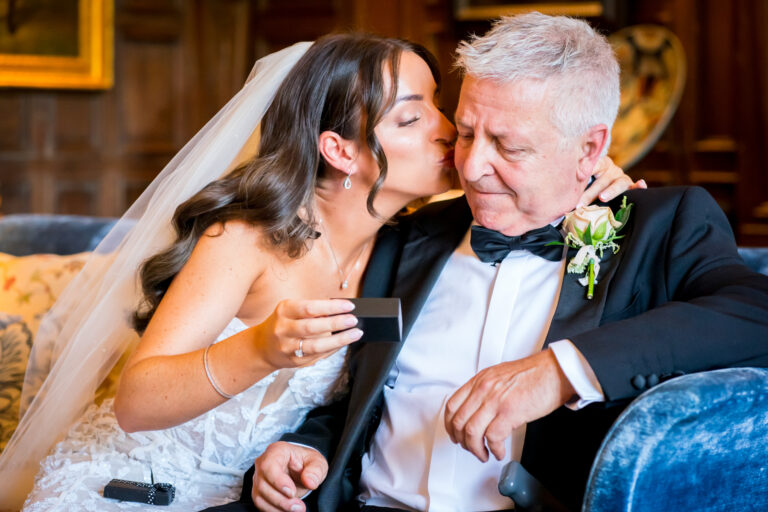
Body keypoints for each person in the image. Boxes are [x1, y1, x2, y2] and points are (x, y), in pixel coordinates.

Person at [1, 33, 636, 511]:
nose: (453, 132)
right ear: (341, 151)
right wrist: (261, 347)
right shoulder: (246, 240)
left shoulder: (406, 248)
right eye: (414, 118)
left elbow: (532, 195)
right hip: (133, 490)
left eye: (441, 106)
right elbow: (137, 403)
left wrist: (594, 177)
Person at [244, 13, 768, 512]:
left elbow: (754, 313)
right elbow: (360, 391)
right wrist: (306, 448)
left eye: (507, 146)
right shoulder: (407, 235)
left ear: (590, 150)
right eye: (468, 132)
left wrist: (561, 371)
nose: (471, 167)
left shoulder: (661, 225)